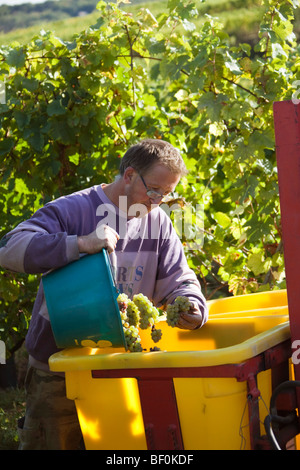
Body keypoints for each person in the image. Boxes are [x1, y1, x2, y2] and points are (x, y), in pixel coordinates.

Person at [0, 138, 208, 450]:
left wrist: (191, 304)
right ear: (128, 175)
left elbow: (179, 278)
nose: (158, 201)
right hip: (59, 368)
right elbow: (9, 249)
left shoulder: (159, 223)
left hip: (120, 367)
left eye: (166, 194)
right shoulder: (75, 209)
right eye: (153, 190)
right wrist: (80, 244)